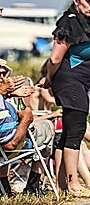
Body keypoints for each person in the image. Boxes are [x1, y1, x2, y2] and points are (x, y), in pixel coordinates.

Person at [44, 0, 90, 195]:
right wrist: (49, 80)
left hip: (79, 81)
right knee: (76, 131)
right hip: (69, 80)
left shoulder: (86, 22)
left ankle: (62, 184)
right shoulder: (69, 21)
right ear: (76, 0)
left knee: (69, 131)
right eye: (88, 1)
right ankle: (73, 184)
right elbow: (54, 58)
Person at [0, 62, 54, 197]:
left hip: (7, 147)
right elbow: (10, 144)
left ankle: (4, 187)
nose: (2, 78)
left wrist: (10, 94)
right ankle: (33, 184)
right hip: (15, 145)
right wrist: (26, 119)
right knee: (48, 128)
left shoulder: (4, 98)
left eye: (4, 74)